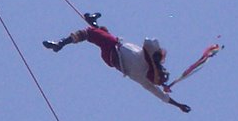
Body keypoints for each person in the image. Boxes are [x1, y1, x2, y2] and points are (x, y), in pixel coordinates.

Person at [42, 13, 191, 112]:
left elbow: (150, 42)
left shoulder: (147, 72)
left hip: (115, 52)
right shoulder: (147, 68)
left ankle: (60, 43)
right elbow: (161, 96)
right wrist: (178, 105)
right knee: (100, 34)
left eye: (163, 72)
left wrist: (157, 62)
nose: (164, 69)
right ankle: (92, 20)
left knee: (90, 33)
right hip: (112, 57)